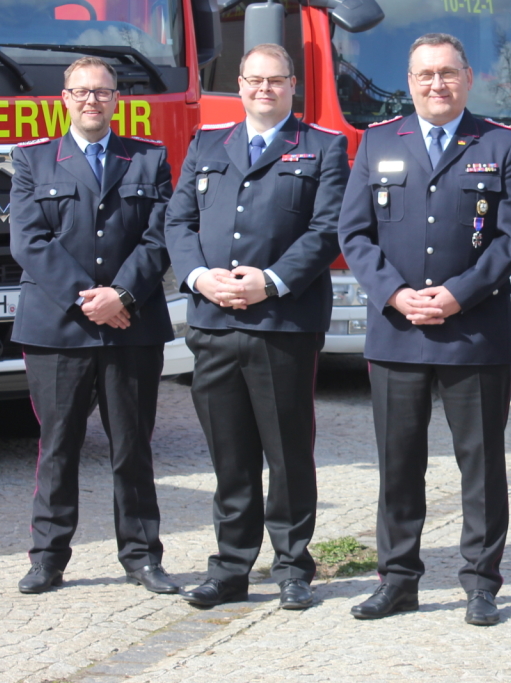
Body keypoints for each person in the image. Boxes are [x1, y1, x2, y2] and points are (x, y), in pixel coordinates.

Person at [338, 33, 511, 626]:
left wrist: (457, 296)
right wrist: (395, 293)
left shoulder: (500, 143)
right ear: (410, 81)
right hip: (397, 331)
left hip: (473, 332)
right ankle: (397, 579)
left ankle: (481, 582)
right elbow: (355, 234)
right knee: (398, 464)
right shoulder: (376, 141)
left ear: (468, 78)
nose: (436, 84)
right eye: (425, 75)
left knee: (482, 465)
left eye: (447, 73)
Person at [165, 43, 349, 609]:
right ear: (239, 85)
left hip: (282, 323)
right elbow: (179, 219)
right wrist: (198, 277)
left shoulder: (323, 147)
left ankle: (293, 565)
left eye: (275, 80)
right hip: (214, 321)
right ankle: (230, 568)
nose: (263, 89)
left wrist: (268, 281)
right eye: (253, 80)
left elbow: (327, 230)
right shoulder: (207, 143)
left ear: (293, 85)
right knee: (230, 453)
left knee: (287, 451)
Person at [10, 57, 177, 595]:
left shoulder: (149, 159)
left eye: (102, 92)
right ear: (64, 98)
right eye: (81, 92)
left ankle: (142, 556)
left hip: (133, 325)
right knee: (58, 444)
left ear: (115, 99)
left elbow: (160, 237)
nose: (91, 101)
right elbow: (29, 241)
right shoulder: (34, 159)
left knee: (133, 446)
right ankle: (48, 558)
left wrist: (122, 295)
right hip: (58, 329)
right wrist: (90, 301)